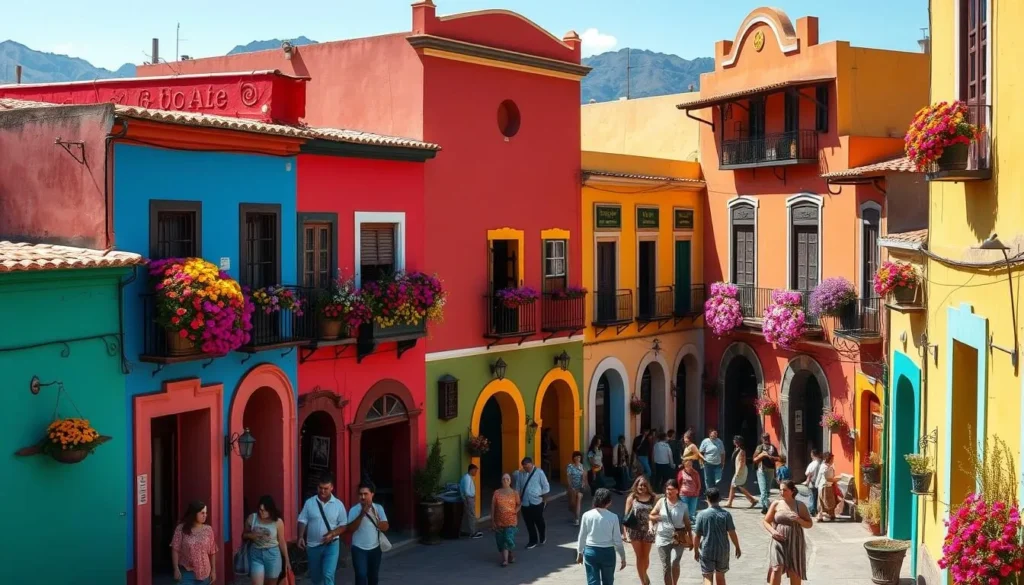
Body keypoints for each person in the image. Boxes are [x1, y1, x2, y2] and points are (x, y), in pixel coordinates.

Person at [298, 474, 348, 585]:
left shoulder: (338, 504)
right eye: (320, 488)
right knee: (316, 578)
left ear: (332, 488)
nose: (322, 491)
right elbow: (302, 520)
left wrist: (333, 533)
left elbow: (344, 525)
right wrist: (300, 536)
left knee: (328, 574)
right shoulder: (309, 503)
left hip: (332, 545)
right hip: (313, 545)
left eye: (326, 488)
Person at [763, 480, 813, 585]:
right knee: (776, 568)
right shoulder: (776, 504)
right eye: (780, 490)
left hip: (795, 540)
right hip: (778, 539)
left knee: (794, 570)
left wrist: (799, 520)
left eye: (785, 490)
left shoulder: (800, 505)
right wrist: (773, 532)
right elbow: (766, 521)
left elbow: (809, 524)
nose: (782, 492)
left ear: (792, 491)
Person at [576, 488, 627, 585]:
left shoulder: (587, 515)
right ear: (609, 502)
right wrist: (623, 557)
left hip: (590, 551)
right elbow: (617, 540)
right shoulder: (613, 517)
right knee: (608, 581)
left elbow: (582, 536)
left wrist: (580, 553)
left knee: (593, 582)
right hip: (608, 552)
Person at [647, 479, 692, 585]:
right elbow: (651, 515)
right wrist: (657, 518)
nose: (668, 491)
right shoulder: (661, 502)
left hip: (679, 537)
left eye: (671, 489)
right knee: (666, 566)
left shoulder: (683, 506)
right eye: (667, 489)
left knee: (675, 562)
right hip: (662, 537)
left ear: (677, 491)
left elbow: (687, 524)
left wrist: (691, 539)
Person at [693, 488, 741, 585]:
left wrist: (696, 550)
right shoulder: (726, 514)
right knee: (720, 575)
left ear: (707, 498)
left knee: (707, 576)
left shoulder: (701, 515)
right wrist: (737, 547)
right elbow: (732, 533)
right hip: (722, 549)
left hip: (707, 549)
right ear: (719, 498)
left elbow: (697, 536)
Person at [345, 482, 389, 585]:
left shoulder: (378, 508)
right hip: (358, 549)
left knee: (373, 577)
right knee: (360, 575)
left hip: (375, 548)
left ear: (372, 494)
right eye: (360, 494)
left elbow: (386, 527)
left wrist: (377, 519)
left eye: (366, 494)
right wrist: (362, 515)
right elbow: (350, 529)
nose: (363, 497)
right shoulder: (354, 510)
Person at [243, 495, 292, 585]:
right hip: (256, 554)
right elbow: (244, 535)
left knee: (271, 583)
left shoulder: (278, 522)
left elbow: (281, 541)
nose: (262, 512)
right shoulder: (252, 518)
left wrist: (287, 560)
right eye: (260, 510)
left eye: (265, 510)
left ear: (270, 510)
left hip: (272, 554)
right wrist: (251, 535)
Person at [170, 500, 218, 585]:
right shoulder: (181, 529)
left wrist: (213, 570)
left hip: (205, 573)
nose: (205, 515)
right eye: (202, 513)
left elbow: (212, 551)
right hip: (187, 572)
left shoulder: (208, 530)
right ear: (194, 513)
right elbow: (175, 549)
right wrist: (176, 568)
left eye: (206, 513)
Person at [622, 475, 657, 585]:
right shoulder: (632, 497)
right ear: (636, 485)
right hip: (634, 530)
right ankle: (643, 582)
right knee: (639, 556)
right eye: (640, 485)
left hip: (648, 531)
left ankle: (644, 573)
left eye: (645, 485)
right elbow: (626, 517)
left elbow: (657, 513)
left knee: (645, 557)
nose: (642, 487)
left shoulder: (653, 498)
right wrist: (625, 533)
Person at [515, 457, 550, 549]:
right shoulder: (520, 474)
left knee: (539, 521)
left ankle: (542, 535)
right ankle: (532, 540)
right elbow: (518, 487)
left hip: (537, 502)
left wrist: (542, 497)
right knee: (529, 523)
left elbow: (546, 486)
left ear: (531, 464)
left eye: (526, 466)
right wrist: (517, 499)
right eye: (524, 467)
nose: (525, 468)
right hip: (525, 502)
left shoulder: (539, 473)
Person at [491, 473, 522, 567]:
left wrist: (515, 511)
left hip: (511, 521)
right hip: (499, 521)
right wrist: (492, 520)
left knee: (507, 538)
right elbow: (493, 506)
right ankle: (510, 554)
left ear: (510, 481)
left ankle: (505, 560)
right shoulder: (497, 492)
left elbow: (519, 504)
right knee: (500, 540)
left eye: (507, 479)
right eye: (504, 479)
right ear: (501, 481)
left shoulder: (514, 493)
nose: (505, 480)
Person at [725, 436, 757, 508]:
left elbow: (741, 462)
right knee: (738, 486)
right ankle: (752, 500)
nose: (733, 441)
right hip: (739, 470)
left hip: (741, 470)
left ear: (738, 442)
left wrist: (738, 472)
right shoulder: (736, 449)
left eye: (735, 440)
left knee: (734, 485)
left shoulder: (742, 451)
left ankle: (729, 503)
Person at [752, 433, 780, 514]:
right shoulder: (760, 447)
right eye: (764, 438)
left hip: (770, 470)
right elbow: (754, 459)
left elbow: (778, 458)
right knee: (763, 490)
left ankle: (765, 505)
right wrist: (762, 456)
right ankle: (766, 506)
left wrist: (771, 457)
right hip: (761, 470)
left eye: (767, 437)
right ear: (762, 439)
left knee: (767, 490)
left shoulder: (772, 447)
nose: (766, 439)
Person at [459, 464, 484, 539]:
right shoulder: (467, 478)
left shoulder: (466, 477)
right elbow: (466, 491)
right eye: (475, 471)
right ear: (471, 470)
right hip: (469, 498)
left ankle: (464, 530)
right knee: (471, 515)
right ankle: (473, 532)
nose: (476, 472)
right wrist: (470, 498)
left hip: (467, 498)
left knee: (467, 515)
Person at [566, 450, 589, 526]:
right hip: (572, 488)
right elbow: (569, 477)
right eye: (576, 457)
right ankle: (576, 515)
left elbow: (585, 478)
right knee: (572, 504)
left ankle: (577, 519)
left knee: (578, 499)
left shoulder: (582, 467)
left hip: (580, 488)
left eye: (579, 457)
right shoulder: (570, 466)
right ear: (573, 458)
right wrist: (570, 486)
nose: (578, 458)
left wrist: (584, 484)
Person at [815, 452, 838, 522]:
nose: (833, 460)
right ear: (829, 459)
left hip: (822, 486)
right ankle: (829, 515)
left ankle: (821, 516)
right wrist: (838, 479)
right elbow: (828, 479)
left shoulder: (824, 466)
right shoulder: (826, 468)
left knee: (822, 502)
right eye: (832, 459)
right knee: (829, 502)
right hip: (826, 487)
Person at [803, 450, 822, 517]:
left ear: (812, 455)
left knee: (812, 497)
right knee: (816, 497)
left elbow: (807, 473)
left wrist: (808, 479)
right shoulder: (821, 463)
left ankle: (812, 510)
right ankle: (815, 510)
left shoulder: (813, 464)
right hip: (820, 482)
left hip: (813, 482)